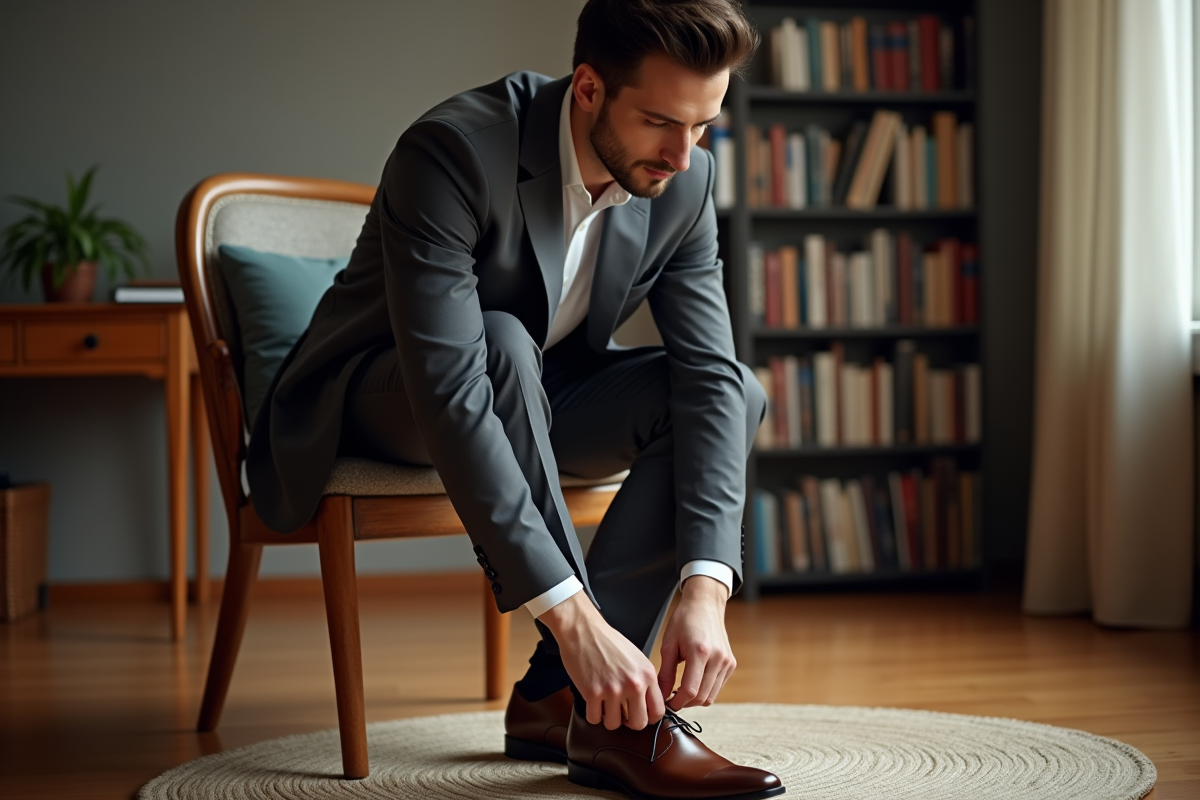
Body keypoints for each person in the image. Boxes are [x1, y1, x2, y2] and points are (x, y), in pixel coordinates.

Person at [247, 1, 782, 797]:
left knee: (733, 388)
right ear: (591, 87)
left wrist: (706, 589)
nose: (683, 153)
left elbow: (708, 370)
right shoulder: (454, 151)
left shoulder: (686, 177)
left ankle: (557, 700)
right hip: (381, 397)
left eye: (705, 125)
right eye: (661, 122)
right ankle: (599, 689)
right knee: (498, 342)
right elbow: (455, 382)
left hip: (539, 389)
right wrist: (570, 619)